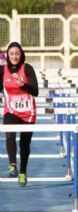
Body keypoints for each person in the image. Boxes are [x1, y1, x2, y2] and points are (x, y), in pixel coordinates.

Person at [0, 42, 39, 186]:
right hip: (11, 110)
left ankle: (23, 171)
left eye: (17, 53)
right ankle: (13, 165)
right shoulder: (2, 70)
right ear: (7, 55)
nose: (14, 56)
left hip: (28, 112)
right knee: (9, 135)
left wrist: (23, 84)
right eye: (11, 54)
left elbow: (36, 91)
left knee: (25, 144)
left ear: (21, 54)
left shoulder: (27, 68)